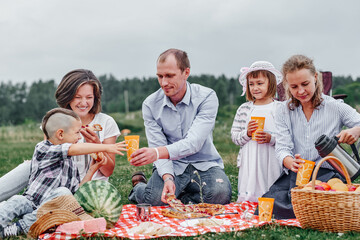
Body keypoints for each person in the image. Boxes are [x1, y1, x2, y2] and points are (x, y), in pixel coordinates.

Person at [128, 48, 232, 206]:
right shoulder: (150, 104)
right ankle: (139, 187)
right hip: (171, 165)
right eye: (160, 76)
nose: (164, 82)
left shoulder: (207, 97)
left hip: (205, 163)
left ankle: (181, 196)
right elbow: (157, 144)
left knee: (219, 195)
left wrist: (156, 153)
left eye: (170, 76)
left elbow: (193, 143)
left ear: (186, 72)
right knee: (155, 200)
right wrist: (168, 177)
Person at [0, 108, 126, 238]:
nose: (79, 137)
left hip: (49, 212)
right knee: (17, 200)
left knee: (64, 193)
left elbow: (76, 194)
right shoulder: (43, 148)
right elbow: (72, 149)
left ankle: (20, 227)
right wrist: (106, 147)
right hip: (30, 202)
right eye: (77, 132)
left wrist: (92, 169)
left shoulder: (71, 164)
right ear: (60, 134)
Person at [262, 55, 360, 219]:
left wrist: (355, 131)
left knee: (319, 204)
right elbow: (282, 148)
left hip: (328, 176)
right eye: (294, 86)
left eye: (305, 84)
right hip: (298, 175)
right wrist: (289, 161)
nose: (300, 91)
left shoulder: (335, 107)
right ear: (287, 86)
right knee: (269, 204)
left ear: (315, 78)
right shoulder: (283, 110)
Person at [0, 69, 121, 202]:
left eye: (89, 97)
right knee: (28, 166)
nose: (83, 103)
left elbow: (108, 171)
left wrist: (97, 145)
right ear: (67, 96)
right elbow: (48, 158)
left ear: (95, 98)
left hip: (91, 189)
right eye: (77, 97)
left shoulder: (106, 122)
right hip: (59, 184)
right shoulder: (56, 121)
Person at [231, 61, 283, 202]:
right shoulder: (244, 109)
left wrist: (270, 138)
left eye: (259, 83)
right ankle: (249, 201)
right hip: (250, 156)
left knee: (270, 181)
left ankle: (272, 201)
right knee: (251, 181)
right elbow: (235, 136)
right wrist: (247, 133)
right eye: (251, 84)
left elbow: (286, 137)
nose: (255, 88)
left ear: (270, 83)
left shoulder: (279, 108)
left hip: (271, 157)